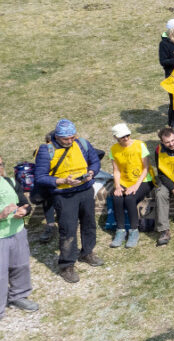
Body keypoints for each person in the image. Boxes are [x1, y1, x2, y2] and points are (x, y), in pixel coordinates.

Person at [33, 119, 103, 284]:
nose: (70, 141)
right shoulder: (46, 150)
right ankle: (67, 265)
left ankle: (87, 252)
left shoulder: (83, 144)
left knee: (89, 223)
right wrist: (61, 180)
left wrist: (92, 172)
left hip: (85, 191)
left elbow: (95, 161)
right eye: (66, 139)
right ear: (57, 136)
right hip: (64, 195)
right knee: (68, 229)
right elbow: (41, 177)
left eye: (72, 137)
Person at [0, 156, 36, 319]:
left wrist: (24, 211)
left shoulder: (10, 182)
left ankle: (18, 296)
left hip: (17, 231)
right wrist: (1, 215)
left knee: (20, 265)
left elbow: (24, 202)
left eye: (0, 164)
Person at [108, 123, 153, 249]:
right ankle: (120, 230)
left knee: (130, 198)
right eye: (122, 137)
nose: (126, 138)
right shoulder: (114, 149)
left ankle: (134, 231)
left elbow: (146, 168)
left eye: (127, 135)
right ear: (116, 137)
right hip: (124, 180)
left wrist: (135, 186)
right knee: (117, 198)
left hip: (143, 180)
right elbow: (116, 170)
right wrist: (117, 186)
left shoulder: (140, 145)